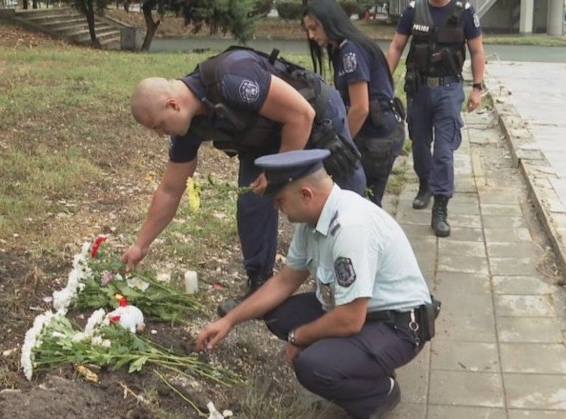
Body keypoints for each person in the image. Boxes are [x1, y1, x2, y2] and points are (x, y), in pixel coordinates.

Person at [124, 47, 367, 316]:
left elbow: (301, 116)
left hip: (316, 116)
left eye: (158, 125)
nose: (160, 134)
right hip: (263, 137)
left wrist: (277, 176)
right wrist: (140, 245)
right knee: (252, 201)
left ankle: (360, 289)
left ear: (173, 105)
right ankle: (260, 285)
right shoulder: (186, 127)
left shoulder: (232, 78)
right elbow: (170, 190)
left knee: (343, 202)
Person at [196, 149, 436, 419]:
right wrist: (230, 321)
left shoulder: (349, 227)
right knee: (280, 317)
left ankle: (379, 393)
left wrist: (299, 337)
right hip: (363, 312)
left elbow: (349, 320)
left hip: (397, 326)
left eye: (280, 200)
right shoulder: (312, 221)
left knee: (313, 367)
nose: (276, 208)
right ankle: (361, 364)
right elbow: (285, 280)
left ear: (306, 195)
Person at [386, 0, 485, 237]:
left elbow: (477, 50)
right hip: (418, 89)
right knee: (419, 143)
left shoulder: (465, 12)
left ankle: (440, 206)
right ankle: (425, 184)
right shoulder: (413, 10)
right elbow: (396, 46)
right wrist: (384, 82)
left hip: (448, 89)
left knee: (443, 150)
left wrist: (477, 88)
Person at [303, 0, 406, 207]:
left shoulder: (351, 51)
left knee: (363, 206)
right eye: (308, 30)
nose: (311, 36)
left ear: (329, 21)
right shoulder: (344, 48)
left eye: (314, 28)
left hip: (376, 138)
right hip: (380, 132)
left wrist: (339, 145)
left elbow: (360, 108)